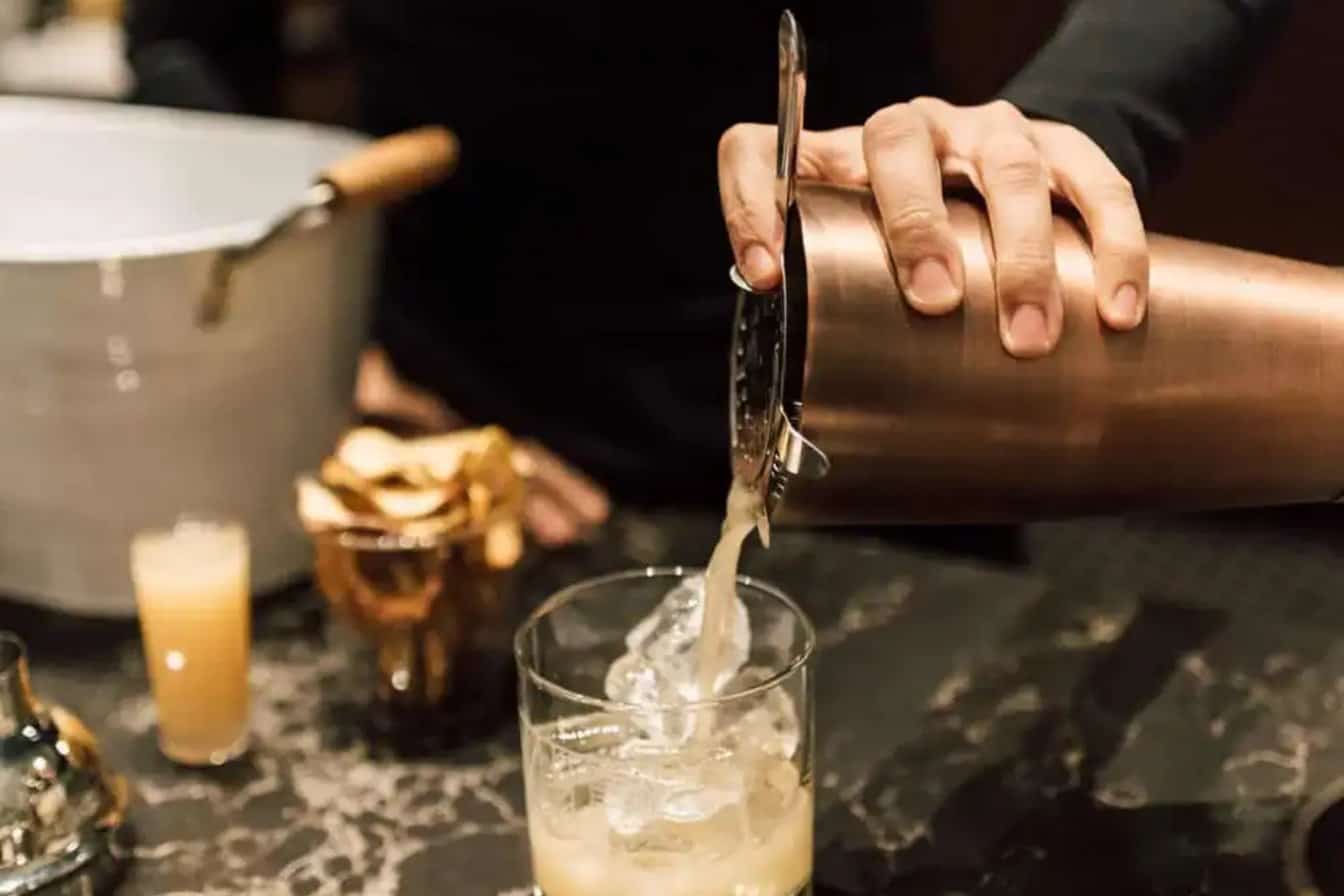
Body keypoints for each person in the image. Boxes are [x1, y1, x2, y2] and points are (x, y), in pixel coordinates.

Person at [124, 0, 1290, 543]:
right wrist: (322, 365)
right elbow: (180, 45)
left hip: (876, 382)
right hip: (469, 442)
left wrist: (1047, 131)